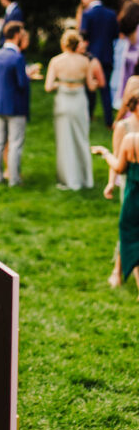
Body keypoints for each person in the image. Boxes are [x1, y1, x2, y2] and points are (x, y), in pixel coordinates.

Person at [92, 102, 139, 300]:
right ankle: (118, 275)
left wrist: (105, 153)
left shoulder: (131, 140)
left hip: (134, 198)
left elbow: (119, 168)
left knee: (130, 238)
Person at [44, 29, 97, 190]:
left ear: (63, 43)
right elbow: (91, 87)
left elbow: (48, 87)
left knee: (65, 140)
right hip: (79, 100)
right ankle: (86, 179)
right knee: (82, 138)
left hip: (63, 102)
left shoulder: (56, 61)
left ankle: (69, 180)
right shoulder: (85, 61)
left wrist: (60, 83)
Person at [0, 22, 33, 187]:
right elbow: (22, 83)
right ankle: (14, 179)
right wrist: (28, 76)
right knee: (15, 143)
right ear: (16, 35)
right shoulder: (18, 57)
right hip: (16, 105)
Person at [79, 0, 119, 127]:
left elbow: (83, 36)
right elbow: (115, 35)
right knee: (105, 88)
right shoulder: (111, 14)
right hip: (108, 55)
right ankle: (109, 120)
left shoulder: (87, 14)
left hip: (91, 56)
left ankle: (89, 116)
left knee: (90, 88)